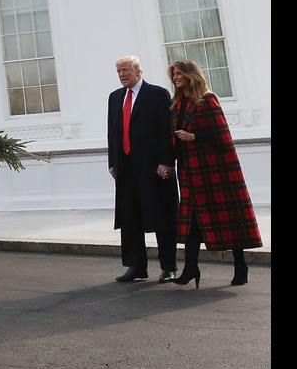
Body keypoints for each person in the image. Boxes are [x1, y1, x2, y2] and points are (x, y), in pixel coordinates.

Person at [168, 60, 262, 288]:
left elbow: (222, 135)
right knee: (191, 222)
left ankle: (241, 265)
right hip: (189, 172)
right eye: (173, 74)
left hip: (214, 171)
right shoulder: (178, 103)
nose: (175, 77)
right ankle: (190, 268)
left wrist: (194, 137)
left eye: (179, 73)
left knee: (228, 219)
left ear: (191, 75)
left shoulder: (207, 99)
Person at [108, 55, 179, 283]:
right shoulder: (115, 98)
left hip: (154, 168)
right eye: (118, 71)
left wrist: (166, 161)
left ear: (138, 71)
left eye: (125, 70)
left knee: (161, 216)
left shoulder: (157, 94)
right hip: (126, 169)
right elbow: (113, 133)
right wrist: (113, 162)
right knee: (129, 218)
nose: (121, 75)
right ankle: (136, 267)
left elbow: (166, 130)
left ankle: (168, 267)